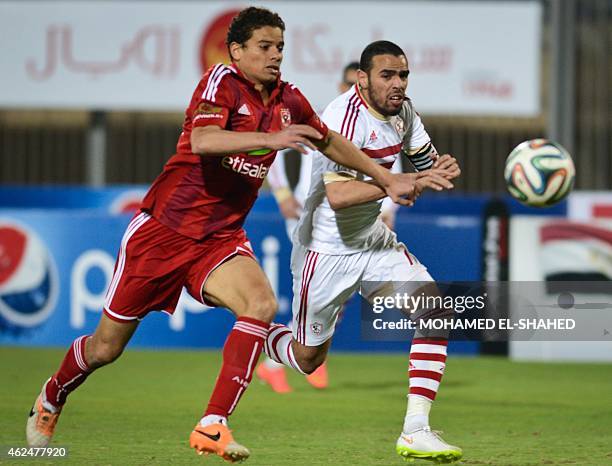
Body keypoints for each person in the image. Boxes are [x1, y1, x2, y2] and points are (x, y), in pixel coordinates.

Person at [25, 8, 437, 463]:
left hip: (219, 239)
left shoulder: (288, 98)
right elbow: (204, 142)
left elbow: (330, 142)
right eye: (264, 46)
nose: (275, 55)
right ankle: (52, 395)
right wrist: (270, 140)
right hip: (162, 233)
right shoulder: (220, 83)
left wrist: (387, 177)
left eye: (280, 46)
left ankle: (213, 423)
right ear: (237, 50)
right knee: (106, 347)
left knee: (260, 304)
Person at [262, 40, 463, 463]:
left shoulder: (404, 111)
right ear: (362, 79)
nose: (397, 84)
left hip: (371, 242)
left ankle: (416, 430)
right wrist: (395, 184)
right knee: (309, 359)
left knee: (435, 309)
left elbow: (424, 165)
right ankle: (259, 342)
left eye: (403, 75)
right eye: (387, 75)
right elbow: (339, 196)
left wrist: (437, 171)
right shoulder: (342, 117)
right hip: (325, 251)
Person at [258, 60, 401, 393]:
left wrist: (390, 207)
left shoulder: (387, 125)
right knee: (321, 291)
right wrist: (281, 193)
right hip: (314, 220)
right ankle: (275, 360)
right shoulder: (326, 121)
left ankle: (302, 358)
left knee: (339, 291)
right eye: (353, 85)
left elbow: (396, 169)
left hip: (358, 220)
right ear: (343, 88)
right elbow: (276, 147)